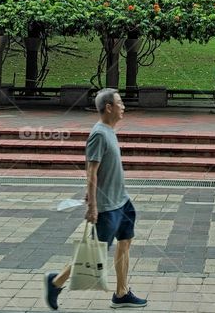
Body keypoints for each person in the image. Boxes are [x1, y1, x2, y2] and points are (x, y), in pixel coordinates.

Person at [45, 88, 147, 310]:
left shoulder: (110, 130)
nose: (123, 106)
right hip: (107, 207)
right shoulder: (99, 134)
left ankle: (121, 293)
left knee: (126, 242)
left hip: (122, 201)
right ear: (109, 107)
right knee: (93, 253)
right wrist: (92, 205)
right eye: (120, 103)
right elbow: (91, 171)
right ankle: (55, 282)